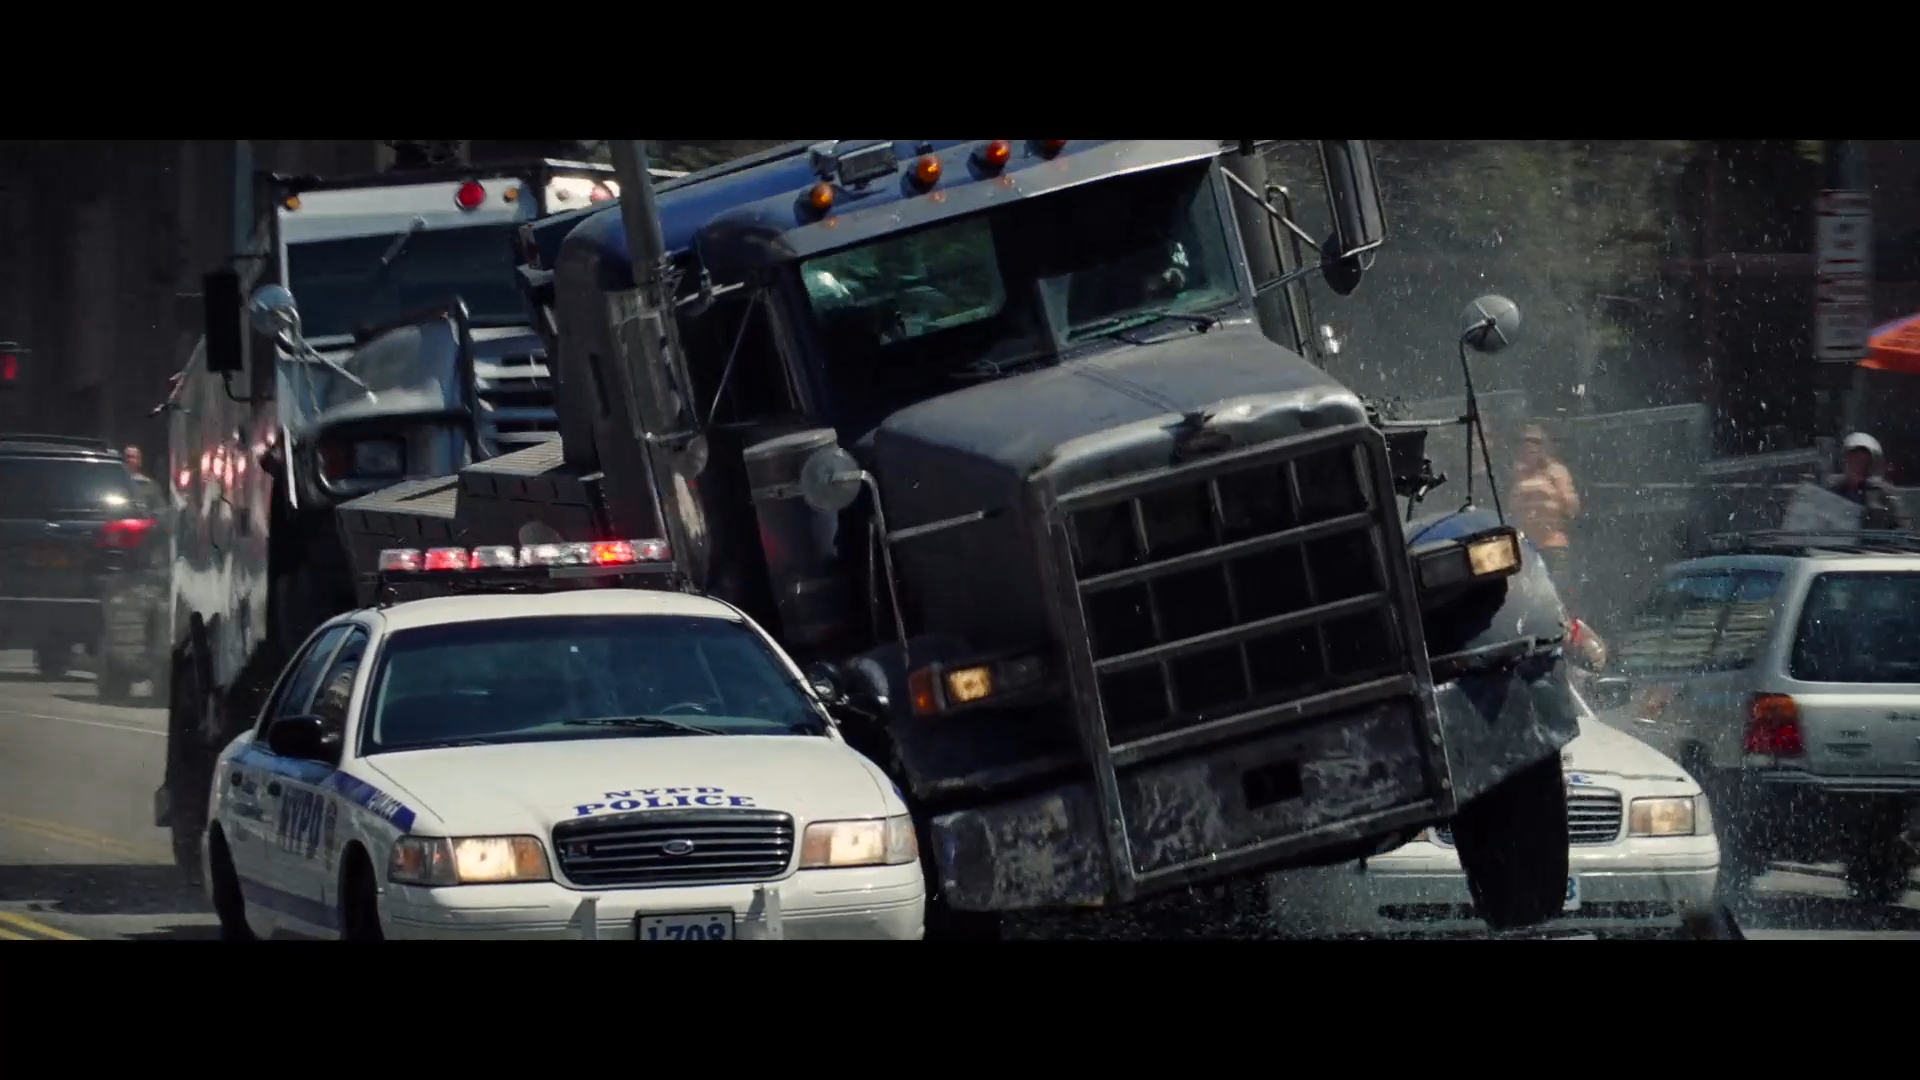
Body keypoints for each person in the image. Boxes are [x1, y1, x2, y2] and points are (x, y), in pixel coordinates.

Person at [1510, 424, 1581, 592]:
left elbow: (1572, 508)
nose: (1530, 446)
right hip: (1526, 549)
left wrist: (1551, 494)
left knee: (1557, 592)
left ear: (1544, 446)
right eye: (1526, 441)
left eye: (1536, 441)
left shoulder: (1557, 472)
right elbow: (1511, 509)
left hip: (1553, 546)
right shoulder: (1517, 474)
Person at [1825, 432, 1912, 532]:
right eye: (1852, 460)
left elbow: (1903, 529)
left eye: (1863, 462)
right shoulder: (1832, 491)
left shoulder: (1884, 494)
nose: (1857, 467)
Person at [123, 445, 161, 512]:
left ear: (140, 462)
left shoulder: (150, 485)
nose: (129, 460)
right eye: (127, 457)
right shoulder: (114, 482)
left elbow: (160, 509)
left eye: (133, 457)